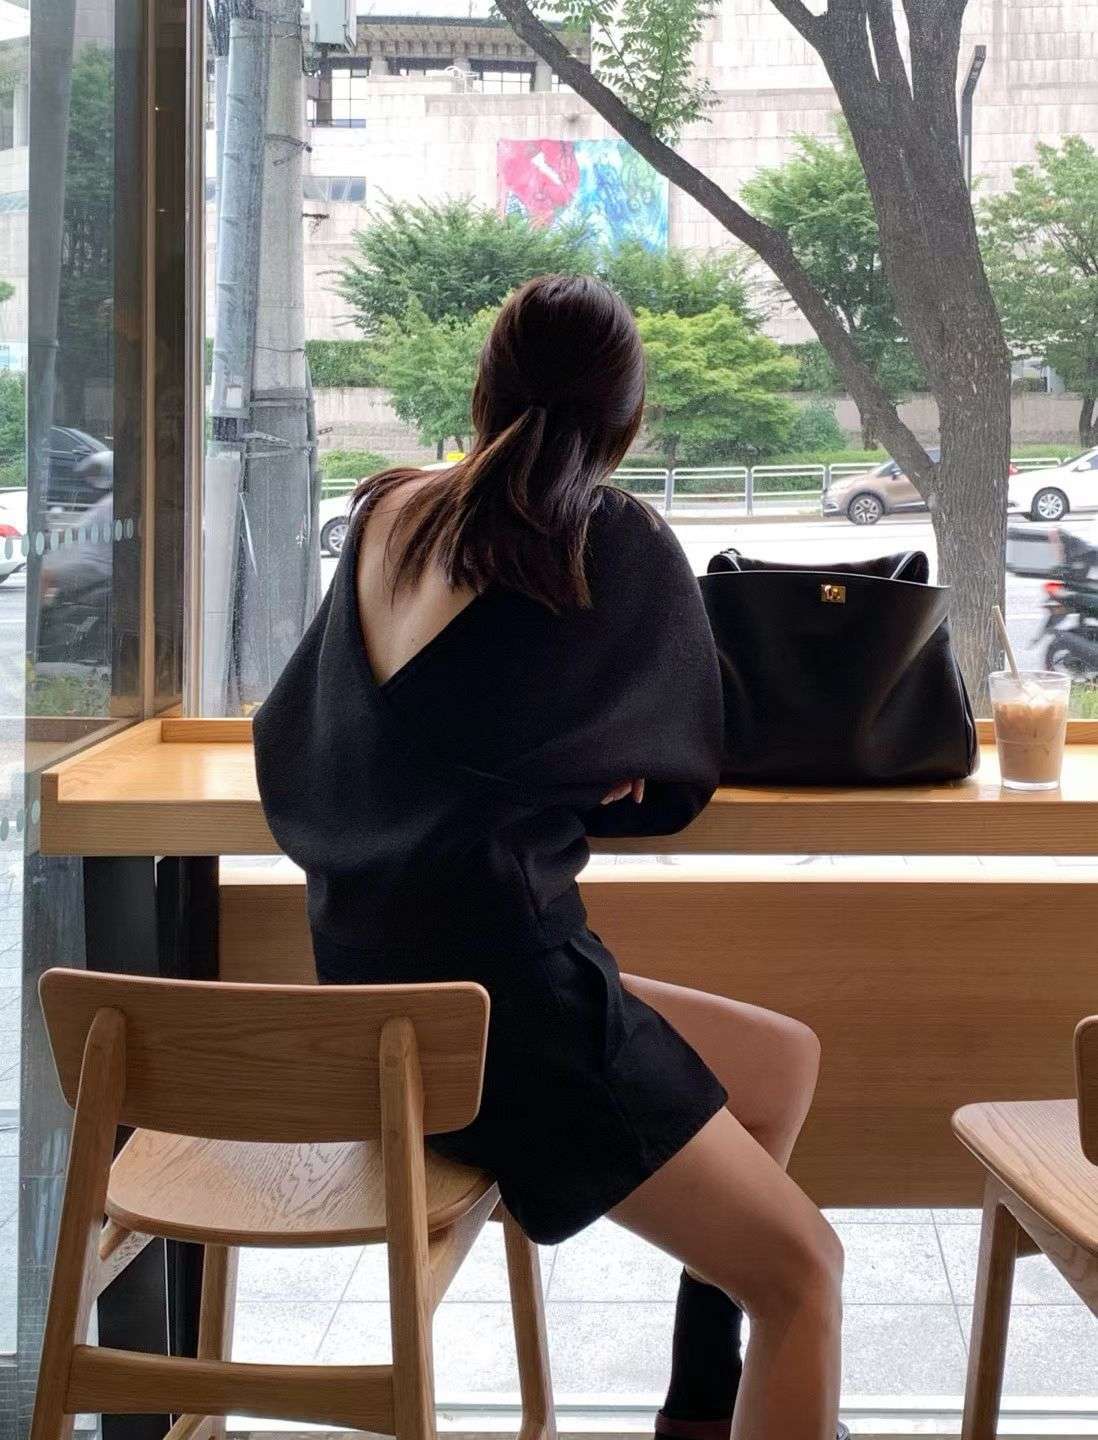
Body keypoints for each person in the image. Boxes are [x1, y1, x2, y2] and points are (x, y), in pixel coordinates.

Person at [254, 275, 844, 1439]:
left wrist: (547, 771)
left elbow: (354, 739)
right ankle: (744, 1379)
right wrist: (593, 769)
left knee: (778, 1064)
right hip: (515, 1021)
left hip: (387, 1001)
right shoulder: (603, 535)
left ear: (485, 386)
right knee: (807, 1273)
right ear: (627, 412)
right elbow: (684, 764)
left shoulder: (384, 511)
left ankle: (704, 1393)